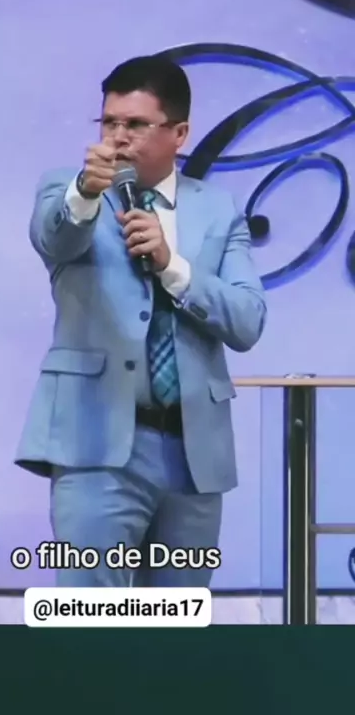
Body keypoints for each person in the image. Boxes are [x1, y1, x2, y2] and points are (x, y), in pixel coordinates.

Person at [15, 55, 267, 587]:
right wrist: (86, 191)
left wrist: (174, 267)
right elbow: (54, 238)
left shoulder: (218, 210)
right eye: (109, 122)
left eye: (135, 124)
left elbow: (247, 321)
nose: (118, 137)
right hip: (96, 447)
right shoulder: (67, 191)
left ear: (180, 133)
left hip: (194, 454)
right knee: (90, 620)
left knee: (175, 625)